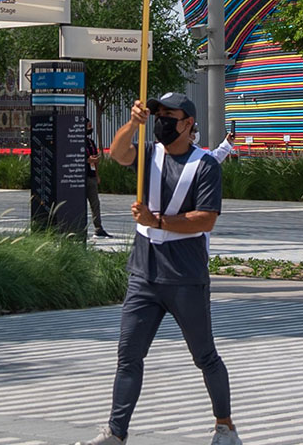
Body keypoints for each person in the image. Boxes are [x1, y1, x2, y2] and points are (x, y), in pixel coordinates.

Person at [75, 92, 237, 445]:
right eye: (157, 114)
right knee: (128, 356)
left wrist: (157, 220)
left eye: (169, 115)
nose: (161, 120)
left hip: (184, 277)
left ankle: (225, 427)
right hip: (143, 275)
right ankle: (116, 433)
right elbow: (118, 154)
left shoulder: (205, 165)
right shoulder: (150, 155)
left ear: (189, 123)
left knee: (204, 355)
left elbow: (205, 220)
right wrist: (133, 123)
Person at [87, 135, 113, 238]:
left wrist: (97, 175)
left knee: (95, 203)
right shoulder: (75, 141)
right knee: (79, 204)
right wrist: (87, 160)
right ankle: (78, 228)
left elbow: (95, 158)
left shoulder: (90, 142)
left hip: (91, 176)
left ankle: (98, 228)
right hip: (79, 177)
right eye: (88, 126)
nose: (90, 128)